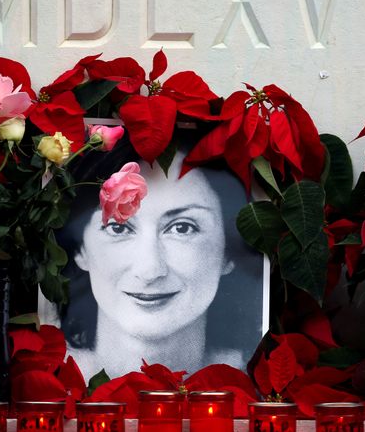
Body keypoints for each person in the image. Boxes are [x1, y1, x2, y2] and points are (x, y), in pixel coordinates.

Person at [55, 131, 266, 380]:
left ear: (229, 250)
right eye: (119, 227)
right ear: (80, 249)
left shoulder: (260, 387)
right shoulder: (45, 381)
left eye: (183, 227)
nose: (150, 269)